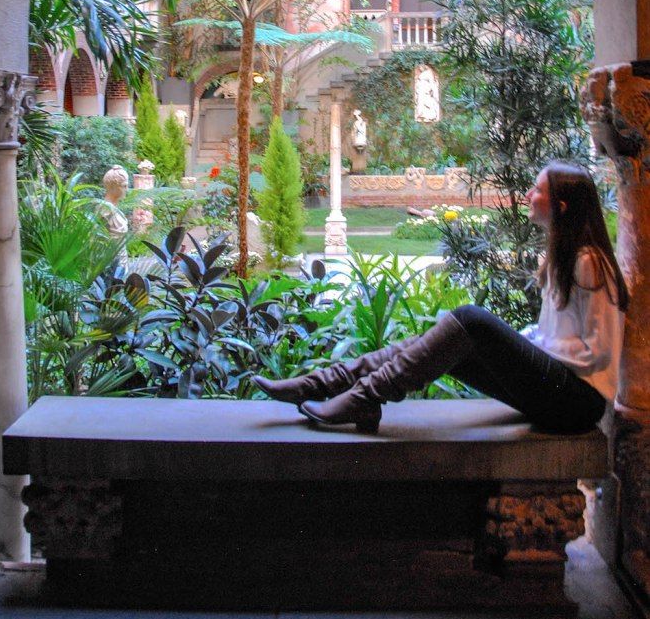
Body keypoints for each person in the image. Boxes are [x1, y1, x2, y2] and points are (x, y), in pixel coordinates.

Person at [253, 161, 627, 434]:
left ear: (560, 207)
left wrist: (534, 350)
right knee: (450, 344)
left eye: (537, 190)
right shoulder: (563, 260)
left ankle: (362, 397)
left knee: (472, 320)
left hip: (576, 403)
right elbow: (557, 335)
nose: (528, 195)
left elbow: (600, 351)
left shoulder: (588, 263)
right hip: (557, 392)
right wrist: (527, 343)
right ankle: (327, 385)